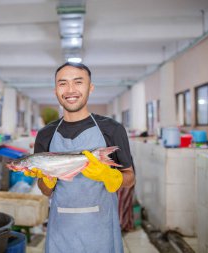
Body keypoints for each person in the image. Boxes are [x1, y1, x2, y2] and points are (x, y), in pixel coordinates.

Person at [27, 62, 135, 253]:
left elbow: (130, 177)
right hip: (62, 226)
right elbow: (45, 191)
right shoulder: (45, 134)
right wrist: (47, 180)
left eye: (78, 82)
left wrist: (111, 176)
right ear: (55, 90)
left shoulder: (112, 129)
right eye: (63, 83)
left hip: (101, 228)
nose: (70, 90)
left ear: (90, 87)